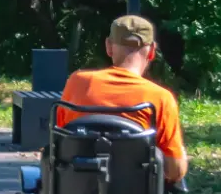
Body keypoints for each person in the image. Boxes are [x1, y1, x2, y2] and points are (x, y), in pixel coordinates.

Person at [56, 15, 188, 182]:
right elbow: (175, 171)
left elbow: (59, 142)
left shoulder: (78, 82)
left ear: (109, 47)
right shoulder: (161, 98)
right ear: (152, 51)